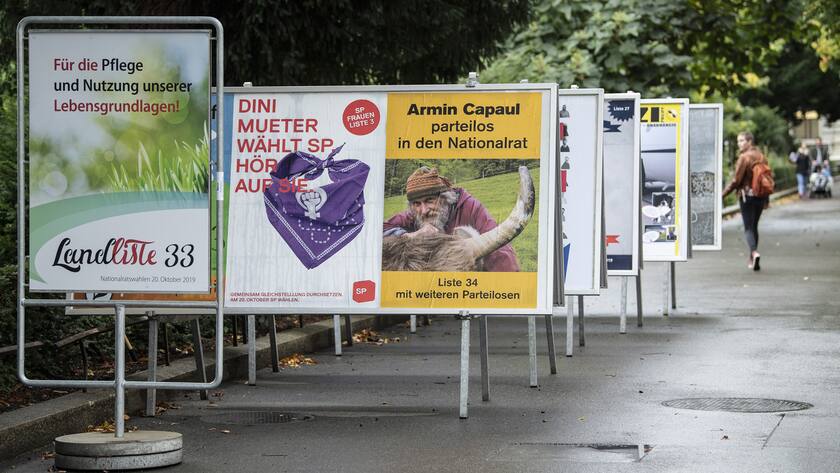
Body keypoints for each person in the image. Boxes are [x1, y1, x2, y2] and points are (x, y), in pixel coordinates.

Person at [383, 166, 519, 271]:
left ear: (445, 198)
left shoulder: (470, 207)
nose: (423, 210)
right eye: (417, 203)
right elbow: (379, 230)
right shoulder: (415, 213)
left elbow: (499, 246)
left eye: (430, 200)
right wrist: (410, 235)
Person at [723, 131, 768, 271]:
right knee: (754, 226)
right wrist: (766, 198)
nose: (739, 143)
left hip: (746, 196)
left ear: (749, 141)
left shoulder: (744, 157)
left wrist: (722, 194)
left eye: (742, 140)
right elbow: (766, 177)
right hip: (760, 196)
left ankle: (754, 253)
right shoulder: (761, 156)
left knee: (748, 227)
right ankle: (752, 257)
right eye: (738, 141)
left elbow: (736, 181)